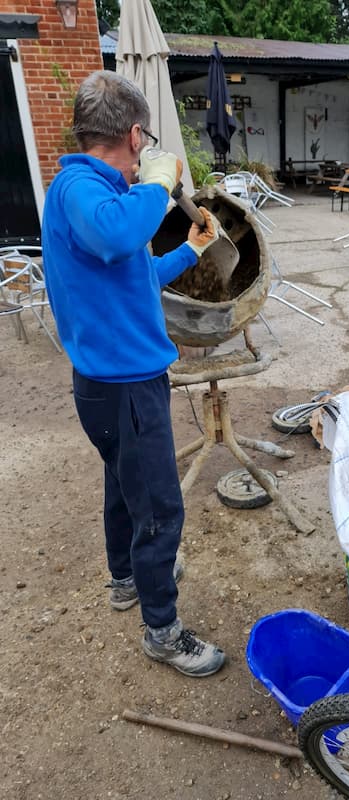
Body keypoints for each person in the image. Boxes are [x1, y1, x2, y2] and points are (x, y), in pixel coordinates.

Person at [41, 70, 226, 678]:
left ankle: (126, 578)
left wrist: (190, 252)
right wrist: (157, 183)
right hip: (121, 385)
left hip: (113, 383)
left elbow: (133, 272)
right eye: (144, 147)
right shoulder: (79, 189)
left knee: (125, 489)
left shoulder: (100, 196)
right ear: (135, 133)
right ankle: (162, 630)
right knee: (159, 508)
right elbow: (120, 237)